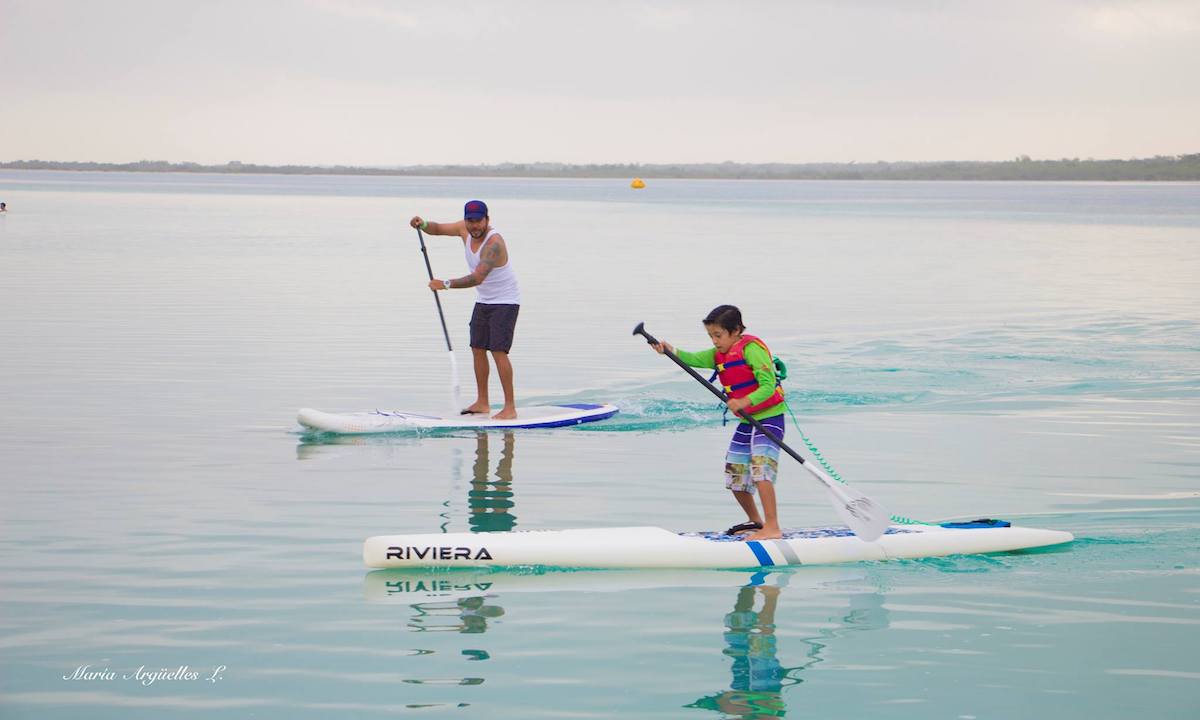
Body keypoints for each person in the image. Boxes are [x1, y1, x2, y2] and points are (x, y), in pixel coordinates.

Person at [649, 305, 788, 541]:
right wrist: (669, 350)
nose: (714, 341)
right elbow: (691, 358)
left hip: (770, 418)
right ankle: (756, 522)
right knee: (735, 473)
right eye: (711, 336)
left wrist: (744, 400)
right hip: (748, 421)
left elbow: (767, 385)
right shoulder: (718, 354)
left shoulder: (752, 349)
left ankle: (773, 527)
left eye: (718, 335)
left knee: (761, 471)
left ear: (735, 331)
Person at [410, 200, 521, 420]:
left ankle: (510, 408)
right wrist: (422, 225)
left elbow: (477, 277)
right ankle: (482, 402)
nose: (474, 226)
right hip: (484, 300)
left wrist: (446, 284)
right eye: (470, 221)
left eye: (479, 221)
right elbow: (438, 229)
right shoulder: (463, 229)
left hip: (506, 301)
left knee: (498, 352)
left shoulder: (494, 243)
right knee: (477, 348)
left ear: (487, 219)